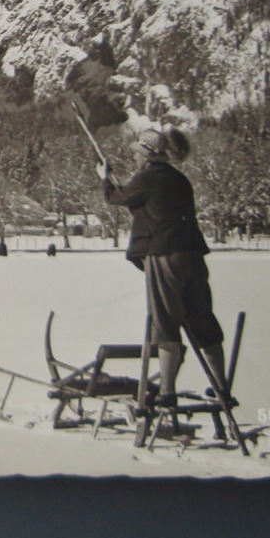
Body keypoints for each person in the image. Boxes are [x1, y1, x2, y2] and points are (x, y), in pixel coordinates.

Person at [99, 127, 226, 408]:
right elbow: (154, 209)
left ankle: (167, 392)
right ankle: (222, 386)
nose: (134, 159)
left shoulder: (146, 177)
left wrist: (104, 179)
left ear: (146, 155)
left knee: (165, 321)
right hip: (193, 255)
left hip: (164, 256)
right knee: (202, 320)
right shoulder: (180, 180)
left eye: (136, 154)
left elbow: (116, 198)